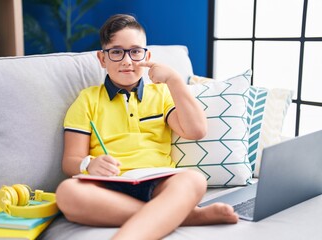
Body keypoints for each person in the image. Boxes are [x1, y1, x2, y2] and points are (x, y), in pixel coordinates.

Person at [56, 14, 238, 240]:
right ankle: (187, 216)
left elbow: (196, 130)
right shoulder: (87, 100)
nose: (127, 61)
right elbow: (70, 161)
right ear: (102, 59)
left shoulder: (161, 93)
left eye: (135, 51)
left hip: (159, 182)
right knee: (66, 193)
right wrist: (89, 164)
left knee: (194, 180)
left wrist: (174, 80)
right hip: (108, 188)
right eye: (116, 52)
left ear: (147, 55)